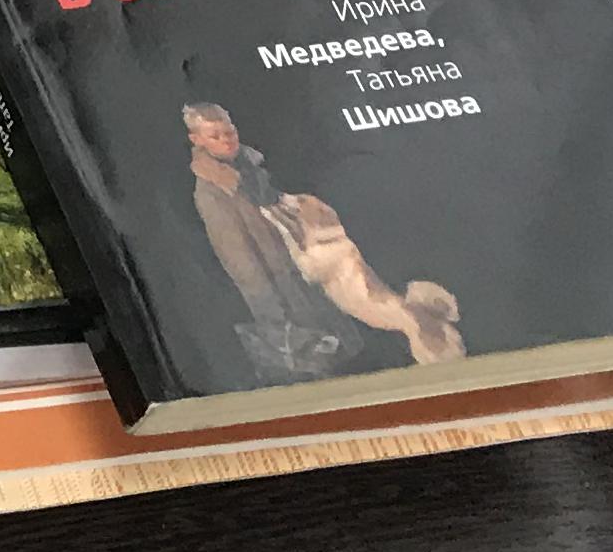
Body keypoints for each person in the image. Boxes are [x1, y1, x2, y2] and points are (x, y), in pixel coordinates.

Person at [182, 100, 466, 375]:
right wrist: (276, 319)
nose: (226, 140)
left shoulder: (248, 167)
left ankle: (429, 337)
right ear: (197, 140)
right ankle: (427, 337)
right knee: (336, 355)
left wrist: (301, 208)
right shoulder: (212, 195)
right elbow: (242, 264)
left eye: (229, 132)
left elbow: (273, 205)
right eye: (215, 136)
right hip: (289, 289)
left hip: (309, 263)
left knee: (362, 315)